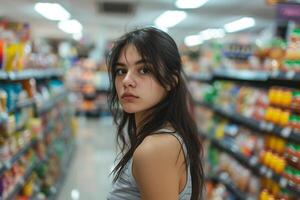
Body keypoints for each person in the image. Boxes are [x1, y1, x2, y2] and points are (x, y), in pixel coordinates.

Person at [106, 27, 204, 200]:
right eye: (121, 70)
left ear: (170, 82)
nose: (127, 81)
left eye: (144, 70)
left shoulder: (155, 149)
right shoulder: (167, 136)